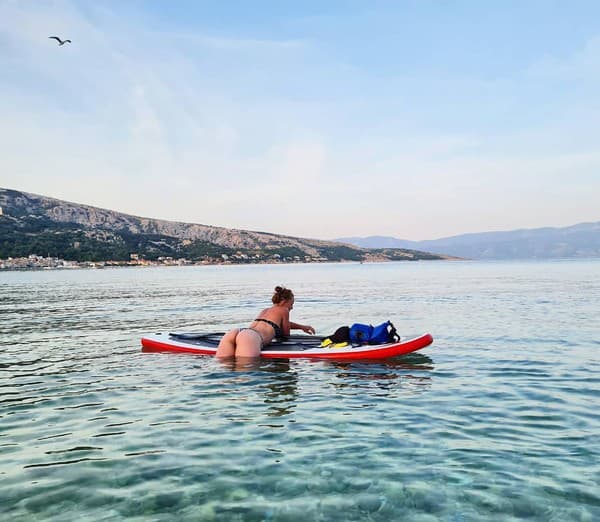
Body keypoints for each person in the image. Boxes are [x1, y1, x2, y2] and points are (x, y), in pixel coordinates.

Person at [216, 286, 315, 358]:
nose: (292, 307)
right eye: (291, 304)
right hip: (251, 338)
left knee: (225, 367)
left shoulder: (265, 310)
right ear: (284, 302)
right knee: (245, 373)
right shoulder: (284, 310)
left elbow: (275, 324)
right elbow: (285, 333)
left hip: (236, 332)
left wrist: (302, 327)